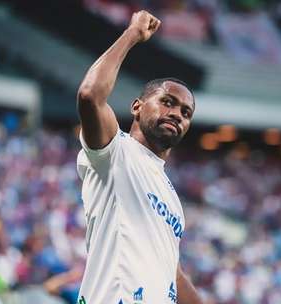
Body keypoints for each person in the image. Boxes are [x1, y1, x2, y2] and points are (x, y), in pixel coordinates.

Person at [76, 10, 203, 304]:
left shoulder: (172, 199)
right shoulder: (116, 151)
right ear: (137, 107)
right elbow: (90, 95)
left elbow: (173, 273)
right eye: (167, 102)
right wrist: (132, 34)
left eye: (186, 113)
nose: (176, 114)